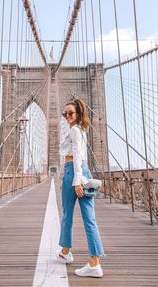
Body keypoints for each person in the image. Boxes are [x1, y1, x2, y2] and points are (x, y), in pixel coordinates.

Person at [56, 98, 105, 278]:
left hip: (76, 173)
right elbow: (77, 156)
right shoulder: (81, 130)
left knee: (68, 214)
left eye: (70, 113)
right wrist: (68, 177)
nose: (67, 116)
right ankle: (92, 262)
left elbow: (75, 155)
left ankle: (67, 253)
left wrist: (75, 180)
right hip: (80, 172)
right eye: (64, 114)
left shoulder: (75, 131)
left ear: (78, 114)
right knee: (89, 219)